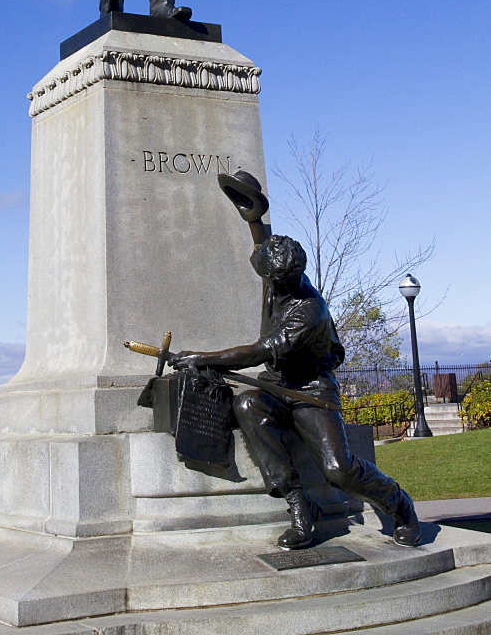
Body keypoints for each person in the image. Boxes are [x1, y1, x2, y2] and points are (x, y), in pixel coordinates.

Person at [169, 233, 422, 550]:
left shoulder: (308, 310)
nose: (269, 286)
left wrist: (202, 358)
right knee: (247, 405)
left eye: (273, 281)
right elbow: (261, 243)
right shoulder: (275, 274)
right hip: (276, 384)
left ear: (289, 278)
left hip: (312, 389)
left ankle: (398, 503)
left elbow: (258, 352)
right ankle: (301, 507)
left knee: (338, 470)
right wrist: (253, 213)